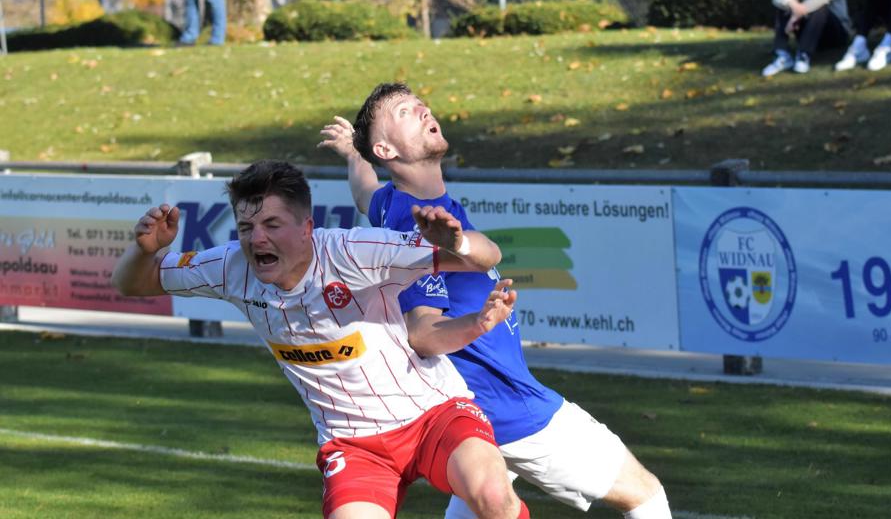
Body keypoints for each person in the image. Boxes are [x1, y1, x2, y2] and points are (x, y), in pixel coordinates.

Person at [318, 83, 672, 519]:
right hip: (506, 407)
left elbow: (364, 193)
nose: (423, 108)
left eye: (420, 103)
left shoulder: (399, 203)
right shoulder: (412, 232)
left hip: (470, 417)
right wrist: (481, 323)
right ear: (387, 148)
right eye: (406, 111)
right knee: (645, 494)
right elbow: (422, 334)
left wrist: (353, 154)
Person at [111, 160, 530, 519]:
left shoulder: (354, 251)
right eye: (246, 226)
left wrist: (455, 240)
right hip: (353, 443)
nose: (257, 238)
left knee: (493, 496)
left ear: (307, 226)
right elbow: (133, 282)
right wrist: (143, 249)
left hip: (433, 414)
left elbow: (486, 255)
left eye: (272, 224)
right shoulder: (230, 266)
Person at [762, 0, 852, 77]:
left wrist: (795, 17)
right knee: (785, 6)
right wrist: (792, 4)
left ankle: (803, 55)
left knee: (820, 8)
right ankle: (782, 54)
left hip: (837, 34)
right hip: (813, 32)